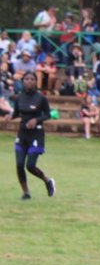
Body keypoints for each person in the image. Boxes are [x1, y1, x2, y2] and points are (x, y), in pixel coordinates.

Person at [7, 72, 56, 200]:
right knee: (19, 164)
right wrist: (10, 117)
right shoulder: (19, 98)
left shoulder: (41, 98)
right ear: (23, 81)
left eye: (32, 79)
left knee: (30, 166)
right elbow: (17, 113)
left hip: (36, 135)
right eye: (27, 79)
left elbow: (48, 115)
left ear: (36, 82)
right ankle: (26, 193)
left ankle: (47, 181)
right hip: (22, 135)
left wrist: (36, 120)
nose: (29, 81)